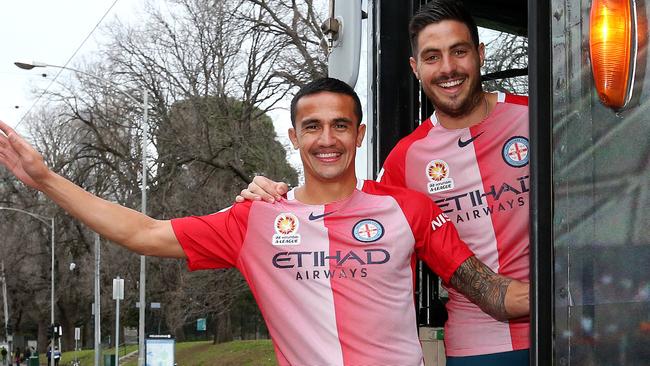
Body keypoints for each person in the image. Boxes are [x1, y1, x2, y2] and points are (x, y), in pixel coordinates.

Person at [0, 77, 527, 366]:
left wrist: (582, 287)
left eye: (341, 126)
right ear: (294, 137)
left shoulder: (408, 208)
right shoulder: (255, 218)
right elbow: (140, 232)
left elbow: (491, 293)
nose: (328, 140)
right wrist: (46, 178)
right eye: (313, 127)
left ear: (360, 135)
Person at [237, 1, 531, 365]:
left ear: (480, 54)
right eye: (432, 57)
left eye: (459, 52)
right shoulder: (405, 159)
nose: (448, 68)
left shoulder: (538, 118)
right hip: (479, 344)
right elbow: (350, 224)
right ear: (415, 68)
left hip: (572, 319)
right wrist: (279, 197)